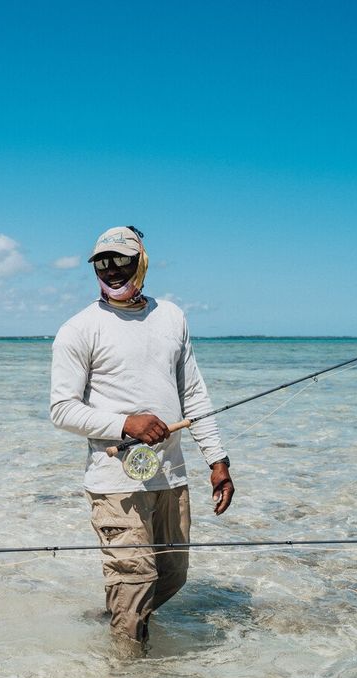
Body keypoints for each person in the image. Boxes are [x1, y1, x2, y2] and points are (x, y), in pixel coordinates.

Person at [50, 225, 234, 649]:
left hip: (171, 477)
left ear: (142, 262)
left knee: (171, 577)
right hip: (115, 484)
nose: (113, 271)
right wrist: (124, 425)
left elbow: (194, 393)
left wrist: (218, 460)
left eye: (122, 261)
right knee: (134, 582)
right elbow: (61, 410)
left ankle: (120, 625)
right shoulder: (78, 329)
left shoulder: (172, 317)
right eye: (103, 263)